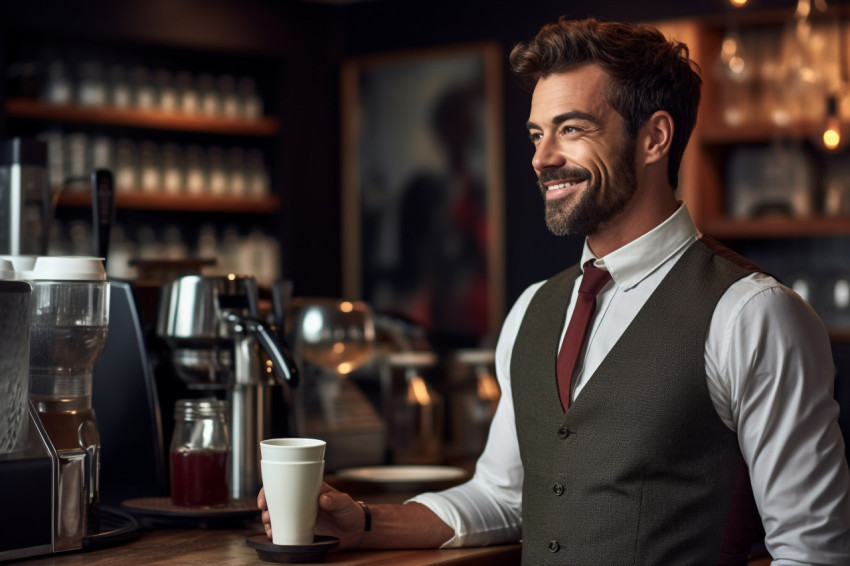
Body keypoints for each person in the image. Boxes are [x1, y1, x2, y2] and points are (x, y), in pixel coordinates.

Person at [259, 17, 850, 564]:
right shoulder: (532, 309)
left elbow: (812, 550)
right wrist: (363, 522)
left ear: (654, 138)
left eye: (572, 129)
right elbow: (504, 495)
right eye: (537, 133)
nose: (542, 158)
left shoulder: (754, 314)